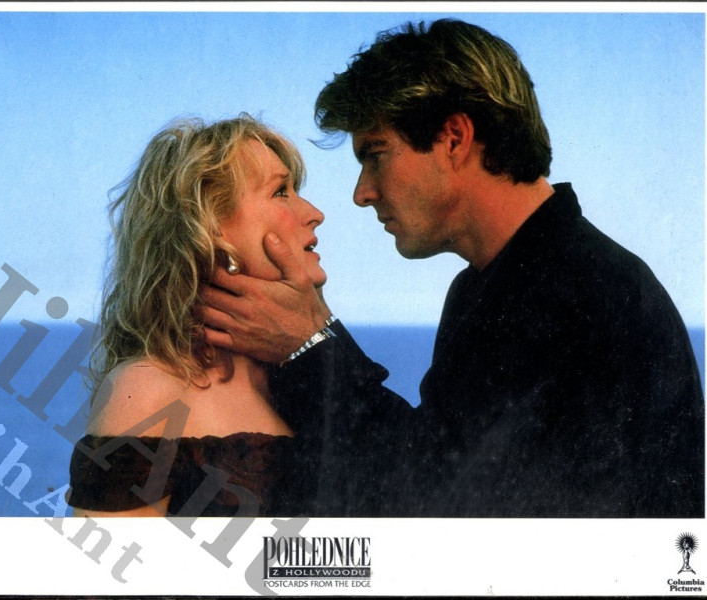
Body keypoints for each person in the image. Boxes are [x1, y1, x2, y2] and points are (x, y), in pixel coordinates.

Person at [201, 19, 705, 517]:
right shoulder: (495, 285)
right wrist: (313, 339)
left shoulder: (589, 293)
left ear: (454, 139)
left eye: (375, 154)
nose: (361, 193)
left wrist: (308, 346)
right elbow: (437, 463)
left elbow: (443, 508)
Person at [68, 115, 327, 517]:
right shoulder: (148, 389)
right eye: (280, 191)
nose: (314, 213)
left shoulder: (305, 378)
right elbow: (103, 558)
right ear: (208, 226)